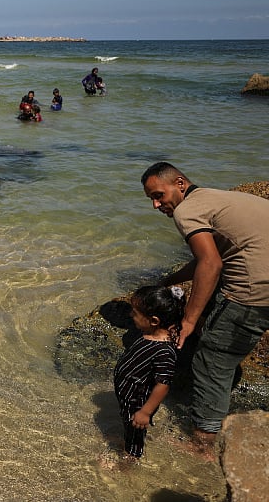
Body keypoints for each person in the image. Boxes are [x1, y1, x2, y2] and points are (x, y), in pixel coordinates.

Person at [141, 162, 269, 455]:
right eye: (151, 198)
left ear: (180, 183)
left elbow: (211, 264)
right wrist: (169, 280)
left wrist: (188, 320)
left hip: (254, 292)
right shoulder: (219, 198)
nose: (156, 204)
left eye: (159, 195)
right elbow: (213, 257)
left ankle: (202, 445)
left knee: (211, 360)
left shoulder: (187, 211)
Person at [114, 285, 183, 459]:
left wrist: (145, 412)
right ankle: (127, 444)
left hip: (137, 401)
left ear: (154, 321)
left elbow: (163, 385)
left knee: (135, 432)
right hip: (128, 397)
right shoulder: (148, 333)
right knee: (128, 425)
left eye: (135, 313)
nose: (131, 315)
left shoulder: (164, 352)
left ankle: (130, 462)